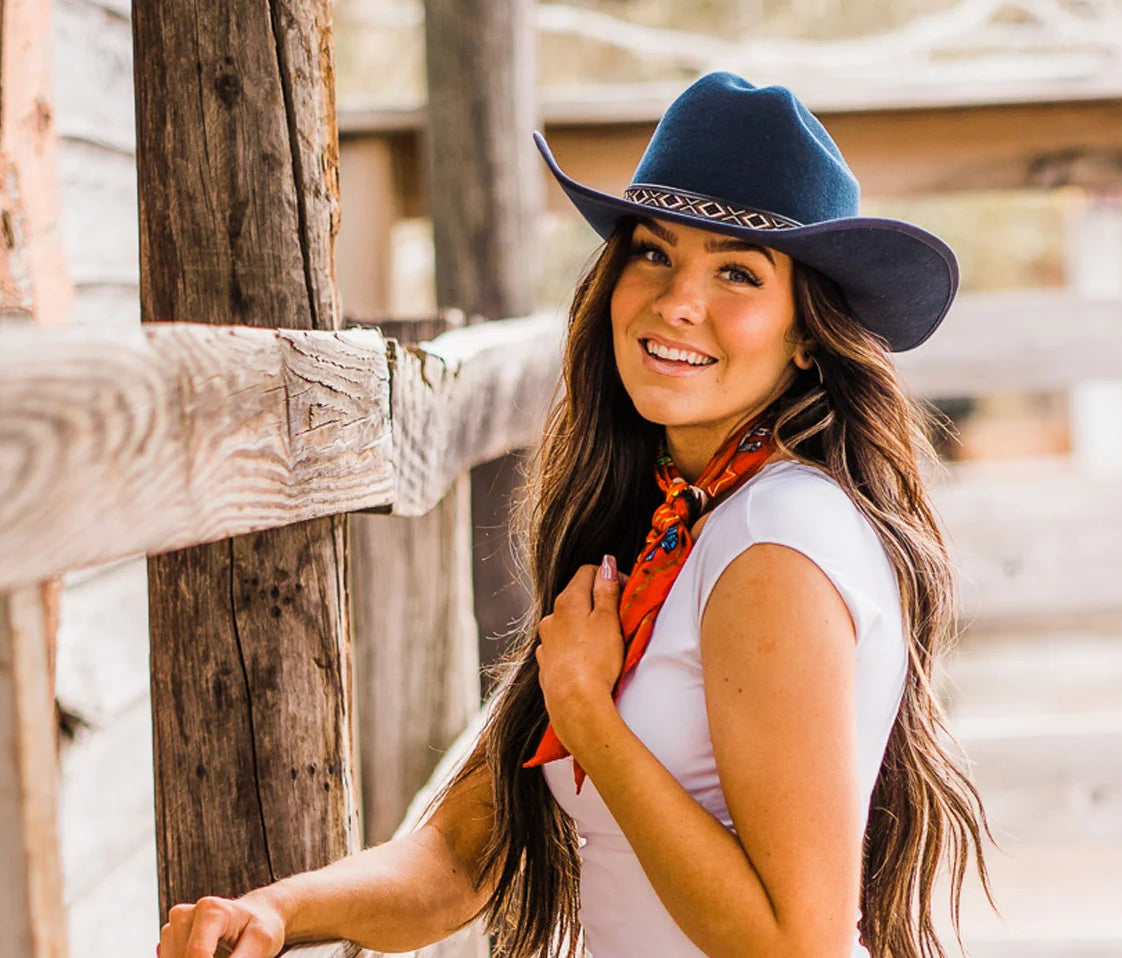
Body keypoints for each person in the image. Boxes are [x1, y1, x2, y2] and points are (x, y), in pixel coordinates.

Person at [158, 71, 995, 958]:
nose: (678, 300)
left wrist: (589, 715)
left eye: (738, 273)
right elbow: (455, 856)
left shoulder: (772, 540)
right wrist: (280, 912)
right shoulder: (667, 527)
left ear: (806, 332)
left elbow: (797, 945)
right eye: (653, 251)